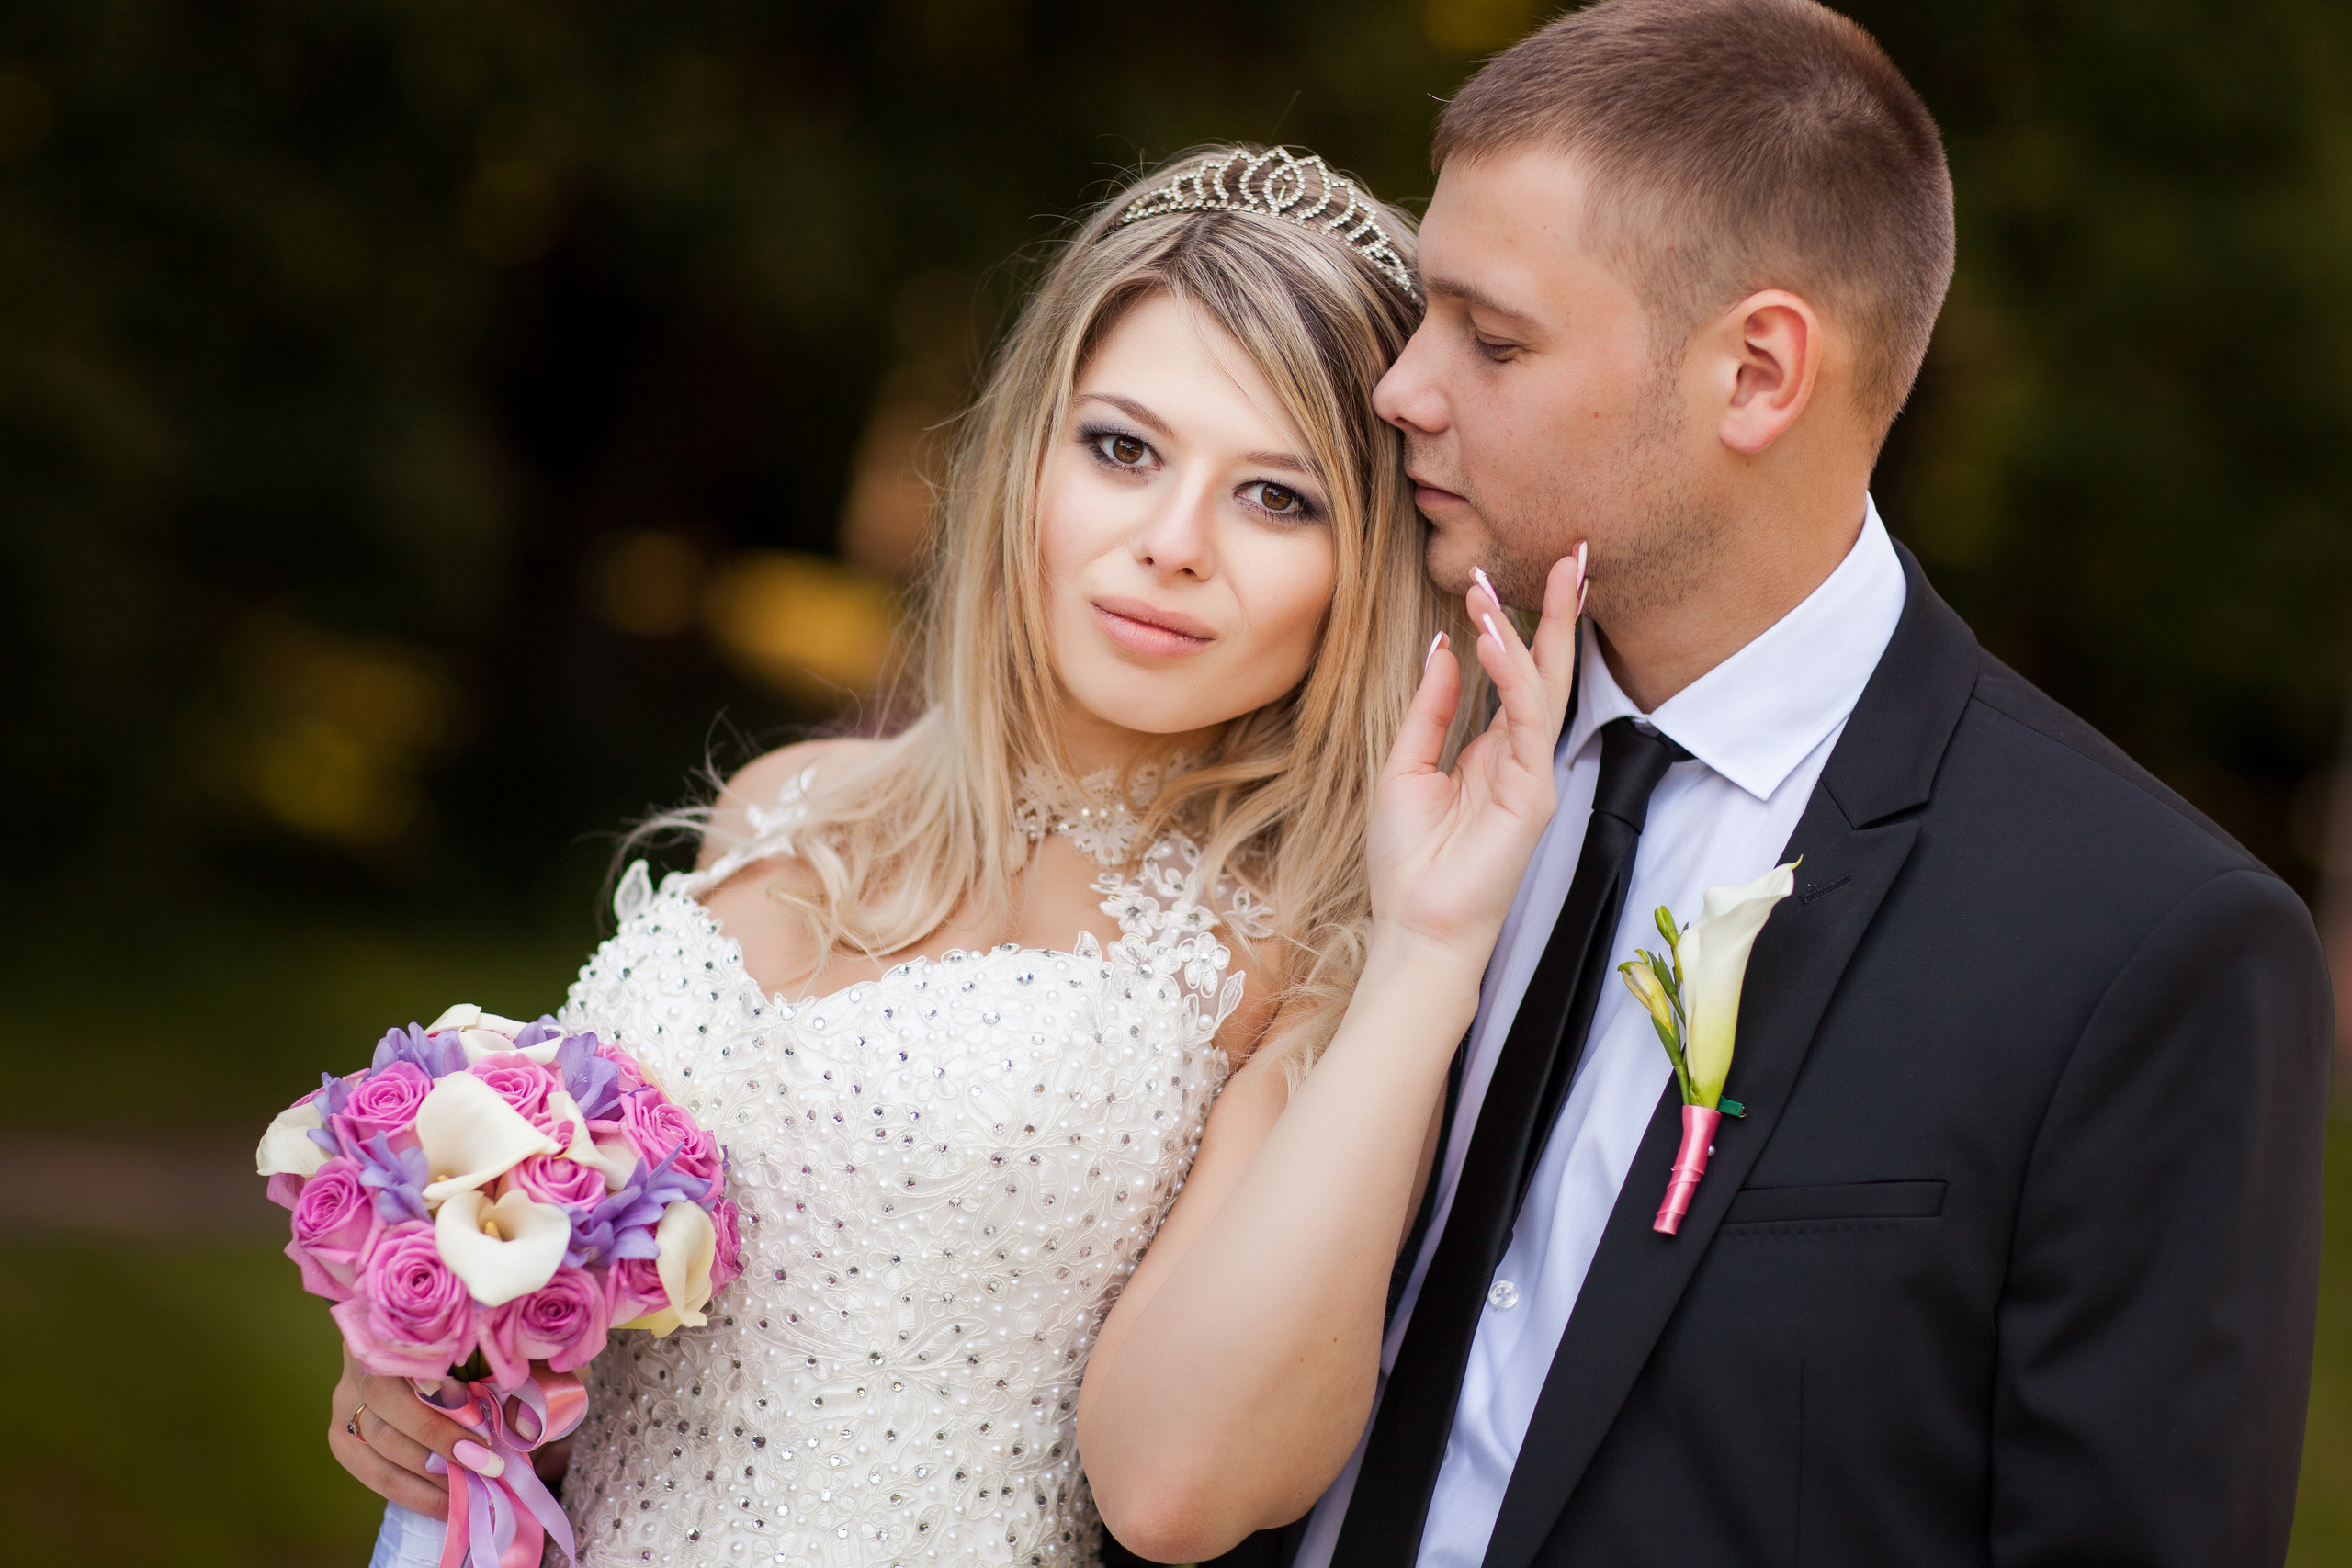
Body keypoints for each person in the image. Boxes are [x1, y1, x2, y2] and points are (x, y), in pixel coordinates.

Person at [1074, 4, 2333, 1566]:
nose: (1401, 389)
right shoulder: (1361, 742)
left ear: (1755, 372)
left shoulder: (2138, 946)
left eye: (1494, 336)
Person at [322, 142, 1590, 1567]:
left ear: (1361, 570)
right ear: (1027, 455)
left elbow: (1177, 1491)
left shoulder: (1300, 958)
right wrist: (435, 1356)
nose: (1172, 544)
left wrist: (1426, 958)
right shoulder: (785, 804)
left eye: (1277, 498)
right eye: (1123, 449)